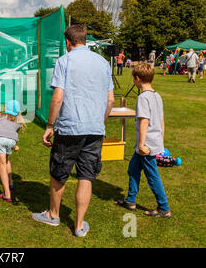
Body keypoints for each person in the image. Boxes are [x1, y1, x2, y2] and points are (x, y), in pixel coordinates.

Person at [32, 25, 115, 237]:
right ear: (85, 40)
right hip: (95, 129)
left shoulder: (64, 61)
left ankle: (53, 214)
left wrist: (49, 126)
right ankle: (79, 225)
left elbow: (58, 96)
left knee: (59, 173)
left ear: (68, 42)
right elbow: (110, 100)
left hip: (69, 128)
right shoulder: (103, 63)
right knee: (86, 176)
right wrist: (100, 122)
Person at [115, 63, 171, 218]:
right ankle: (130, 200)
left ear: (137, 79)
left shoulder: (143, 98)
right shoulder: (157, 95)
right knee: (133, 169)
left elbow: (144, 121)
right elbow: (161, 120)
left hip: (146, 145)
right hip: (153, 141)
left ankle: (163, 207)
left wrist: (141, 144)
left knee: (152, 175)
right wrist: (161, 139)